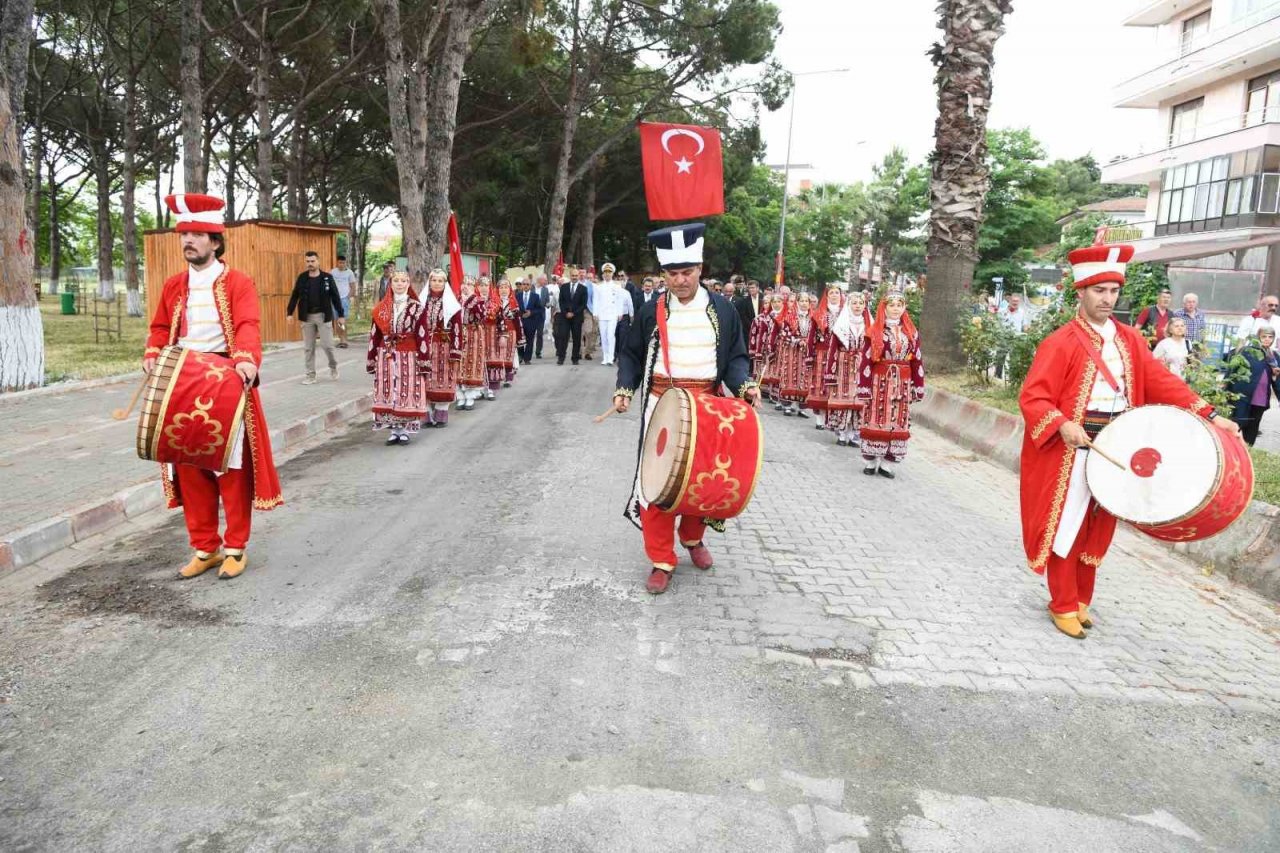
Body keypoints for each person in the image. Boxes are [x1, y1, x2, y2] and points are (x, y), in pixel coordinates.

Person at [1019, 243, 1238, 640]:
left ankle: (1082, 600)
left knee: (1099, 528)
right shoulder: (1060, 342)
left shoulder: (1130, 340)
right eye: (1099, 291)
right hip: (1075, 449)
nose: (1107, 299)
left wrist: (1211, 414)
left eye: (1113, 291)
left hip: (1117, 447)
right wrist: (1061, 423)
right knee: (1069, 526)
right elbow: (1033, 397)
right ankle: (1062, 602)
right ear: (1081, 292)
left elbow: (1161, 382)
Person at [612, 223, 759, 595]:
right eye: (673, 273)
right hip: (661, 406)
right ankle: (661, 558)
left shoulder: (724, 310)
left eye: (687, 272)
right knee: (658, 483)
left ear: (700, 270)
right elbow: (630, 355)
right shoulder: (650, 311)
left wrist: (745, 384)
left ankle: (692, 538)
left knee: (703, 480)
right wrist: (625, 389)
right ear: (664, 275)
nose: (680, 280)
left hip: (709, 408)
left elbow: (737, 358)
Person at [144, 192, 283, 580]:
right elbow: (158, 328)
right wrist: (153, 352)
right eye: (184, 235)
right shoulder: (174, 285)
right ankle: (205, 547)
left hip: (224, 378)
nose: (188, 241)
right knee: (189, 468)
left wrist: (246, 359)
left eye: (196, 235)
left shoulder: (237, 281)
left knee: (230, 468)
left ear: (216, 241)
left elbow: (247, 325)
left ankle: (235, 547)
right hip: (182, 381)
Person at [857, 290, 925, 478]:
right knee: (876, 417)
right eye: (892, 305)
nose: (896, 309)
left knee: (898, 420)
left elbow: (917, 361)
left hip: (902, 383)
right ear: (884, 308)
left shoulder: (911, 332)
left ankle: (888, 462)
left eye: (899, 305)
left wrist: (918, 386)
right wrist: (864, 385)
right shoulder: (874, 331)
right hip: (880, 381)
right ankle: (870, 460)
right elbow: (866, 360)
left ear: (904, 308)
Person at [367, 270, 431, 443]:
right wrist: (372, 357)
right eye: (396, 280)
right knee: (389, 391)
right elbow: (374, 335)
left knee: (405, 389)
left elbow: (422, 335)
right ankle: (393, 430)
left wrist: (424, 359)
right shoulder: (382, 308)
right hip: (386, 354)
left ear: (408, 283)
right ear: (391, 283)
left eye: (403, 281)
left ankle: (404, 430)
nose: (400, 284)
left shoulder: (417, 308)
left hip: (408, 355)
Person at [286, 250, 345, 385]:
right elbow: (295, 295)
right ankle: (310, 375)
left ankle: (333, 366)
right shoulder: (302, 278)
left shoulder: (327, 278)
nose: (310, 264)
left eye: (312, 261)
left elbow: (335, 297)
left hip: (323, 316)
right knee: (308, 347)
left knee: (327, 345)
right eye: (308, 261)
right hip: (307, 317)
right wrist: (289, 313)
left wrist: (340, 315)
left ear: (318, 261)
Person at [824, 290, 870, 447]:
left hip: (862, 365)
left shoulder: (869, 324)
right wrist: (830, 370)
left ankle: (854, 434)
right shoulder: (841, 324)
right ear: (849, 305)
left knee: (859, 399)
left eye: (861, 303)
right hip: (844, 364)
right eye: (854, 303)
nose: (858, 306)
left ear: (865, 306)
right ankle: (842, 434)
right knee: (844, 398)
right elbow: (832, 349)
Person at [1226, 327, 1280, 445]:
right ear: (1258, 337)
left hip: (1261, 398)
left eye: (1270, 337)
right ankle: (1234, 451)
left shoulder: (1273, 356)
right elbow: (1232, 370)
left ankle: (1248, 451)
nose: (1267, 339)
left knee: (1253, 428)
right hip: (1243, 396)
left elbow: (1277, 381)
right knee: (1238, 424)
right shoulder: (1247, 351)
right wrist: (1226, 389)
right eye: (1264, 336)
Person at [807, 284, 843, 428]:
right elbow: (811, 336)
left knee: (834, 384)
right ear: (827, 296)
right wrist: (810, 355)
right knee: (820, 384)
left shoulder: (845, 313)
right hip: (822, 353)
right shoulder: (819, 314)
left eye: (837, 293)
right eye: (832, 293)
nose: (834, 295)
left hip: (839, 354)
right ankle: (819, 418)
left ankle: (832, 417)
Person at [775, 292, 815, 417]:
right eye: (801, 301)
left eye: (806, 301)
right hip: (792, 350)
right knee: (790, 375)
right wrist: (798, 341)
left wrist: (808, 342)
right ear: (797, 302)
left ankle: (801, 407)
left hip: (806, 351)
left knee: (805, 378)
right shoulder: (790, 316)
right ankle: (786, 405)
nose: (804, 303)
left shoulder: (813, 317)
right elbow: (784, 333)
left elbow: (816, 334)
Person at [485, 278, 524, 393]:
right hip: (497, 331)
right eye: (501, 288)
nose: (503, 290)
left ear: (510, 289)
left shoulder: (513, 302)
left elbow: (517, 320)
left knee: (509, 353)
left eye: (506, 287)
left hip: (511, 330)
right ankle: (499, 374)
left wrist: (520, 336)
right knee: (499, 353)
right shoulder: (494, 302)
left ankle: (508, 377)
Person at [456, 279, 487, 410]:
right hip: (459, 333)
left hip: (473, 333)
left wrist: (472, 299)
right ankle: (460, 395)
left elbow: (481, 316)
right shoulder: (455, 300)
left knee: (471, 362)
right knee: (458, 363)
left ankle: (470, 395)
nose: (466, 287)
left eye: (469, 284)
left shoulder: (478, 300)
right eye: (464, 284)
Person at [555, 271, 589, 364]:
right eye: (572, 275)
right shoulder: (564, 287)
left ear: (578, 276)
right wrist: (565, 312)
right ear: (570, 276)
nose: (574, 277)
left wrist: (573, 313)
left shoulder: (583, 288)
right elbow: (561, 301)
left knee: (576, 338)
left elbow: (583, 304)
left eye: (576, 275)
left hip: (577, 317)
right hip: (565, 317)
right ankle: (561, 358)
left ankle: (575, 358)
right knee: (563, 337)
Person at [595, 262, 626, 366]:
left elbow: (620, 300)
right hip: (602, 314)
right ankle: (605, 357)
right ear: (603, 274)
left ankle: (611, 358)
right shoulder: (598, 286)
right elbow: (596, 300)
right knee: (603, 336)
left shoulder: (617, 285)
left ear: (613, 274)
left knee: (610, 335)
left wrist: (620, 312)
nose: (607, 274)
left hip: (613, 314)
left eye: (609, 272)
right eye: (605, 272)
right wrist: (595, 313)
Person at [995, 292, 1028, 379]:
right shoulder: (1001, 311)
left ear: (1019, 302)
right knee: (1000, 358)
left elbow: (1025, 326)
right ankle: (997, 376)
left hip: (1015, 338)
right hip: (1003, 338)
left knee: (1014, 359)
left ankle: (1012, 378)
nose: (1015, 303)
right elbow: (996, 324)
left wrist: (1029, 330)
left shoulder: (1022, 312)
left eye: (1017, 301)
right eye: (1013, 300)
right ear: (1009, 300)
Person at [329, 254, 356, 348]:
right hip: (334, 299)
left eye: (343, 263)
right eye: (340, 262)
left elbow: (353, 286)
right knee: (337, 320)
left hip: (344, 299)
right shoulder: (332, 272)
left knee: (343, 320)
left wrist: (349, 297)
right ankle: (341, 339)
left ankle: (344, 340)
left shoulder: (350, 273)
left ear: (346, 263)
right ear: (337, 262)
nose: (342, 264)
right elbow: (329, 285)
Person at [516, 278, 543, 365]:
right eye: (524, 284)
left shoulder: (535, 296)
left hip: (531, 321)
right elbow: (515, 308)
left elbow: (540, 309)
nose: (525, 286)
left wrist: (531, 312)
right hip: (520, 321)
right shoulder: (517, 296)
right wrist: (520, 314)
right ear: (521, 285)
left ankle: (527, 358)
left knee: (529, 340)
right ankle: (520, 356)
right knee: (520, 340)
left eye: (527, 284)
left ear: (530, 286)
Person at [735, 279, 764, 346]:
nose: (751, 290)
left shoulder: (763, 299)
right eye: (749, 288)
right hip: (749, 330)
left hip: (763, 330)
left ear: (757, 288)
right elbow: (743, 316)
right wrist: (753, 326)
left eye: (753, 288)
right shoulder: (744, 301)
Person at [535, 273, 555, 358]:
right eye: (545, 280)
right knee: (530, 334)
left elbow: (547, 301)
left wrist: (548, 304)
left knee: (540, 334)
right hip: (531, 315)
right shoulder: (531, 288)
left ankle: (538, 351)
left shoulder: (545, 290)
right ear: (540, 280)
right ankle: (527, 351)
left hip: (541, 315)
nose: (546, 281)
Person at [580, 269, 598, 361]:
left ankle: (587, 352)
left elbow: (594, 299)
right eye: (580, 273)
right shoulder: (575, 284)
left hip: (588, 310)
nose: (582, 275)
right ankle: (578, 352)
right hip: (577, 311)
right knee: (578, 332)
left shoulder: (590, 285)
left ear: (585, 274)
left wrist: (595, 312)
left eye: (583, 273)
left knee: (588, 331)